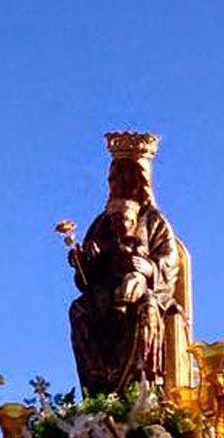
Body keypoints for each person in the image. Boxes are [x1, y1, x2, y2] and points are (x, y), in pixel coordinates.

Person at [69, 154, 179, 395]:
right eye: (112, 179)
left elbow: (170, 261)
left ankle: (142, 387)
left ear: (136, 181)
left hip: (142, 292)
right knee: (79, 309)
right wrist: (83, 263)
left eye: (121, 178)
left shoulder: (153, 220)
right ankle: (97, 387)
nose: (116, 184)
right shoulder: (102, 223)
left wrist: (148, 267)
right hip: (104, 294)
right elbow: (86, 277)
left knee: (146, 307)